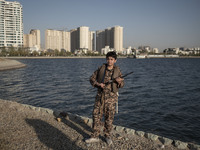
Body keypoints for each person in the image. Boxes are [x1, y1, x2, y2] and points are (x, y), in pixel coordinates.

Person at [85, 51, 124, 146]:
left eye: (111, 59)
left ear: (115, 60)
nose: (109, 61)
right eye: (108, 59)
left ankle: (107, 136)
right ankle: (95, 136)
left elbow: (122, 84)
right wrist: (98, 84)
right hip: (100, 97)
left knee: (109, 118)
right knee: (96, 116)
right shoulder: (101, 69)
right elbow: (91, 79)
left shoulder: (118, 71)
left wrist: (119, 82)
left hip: (111, 99)